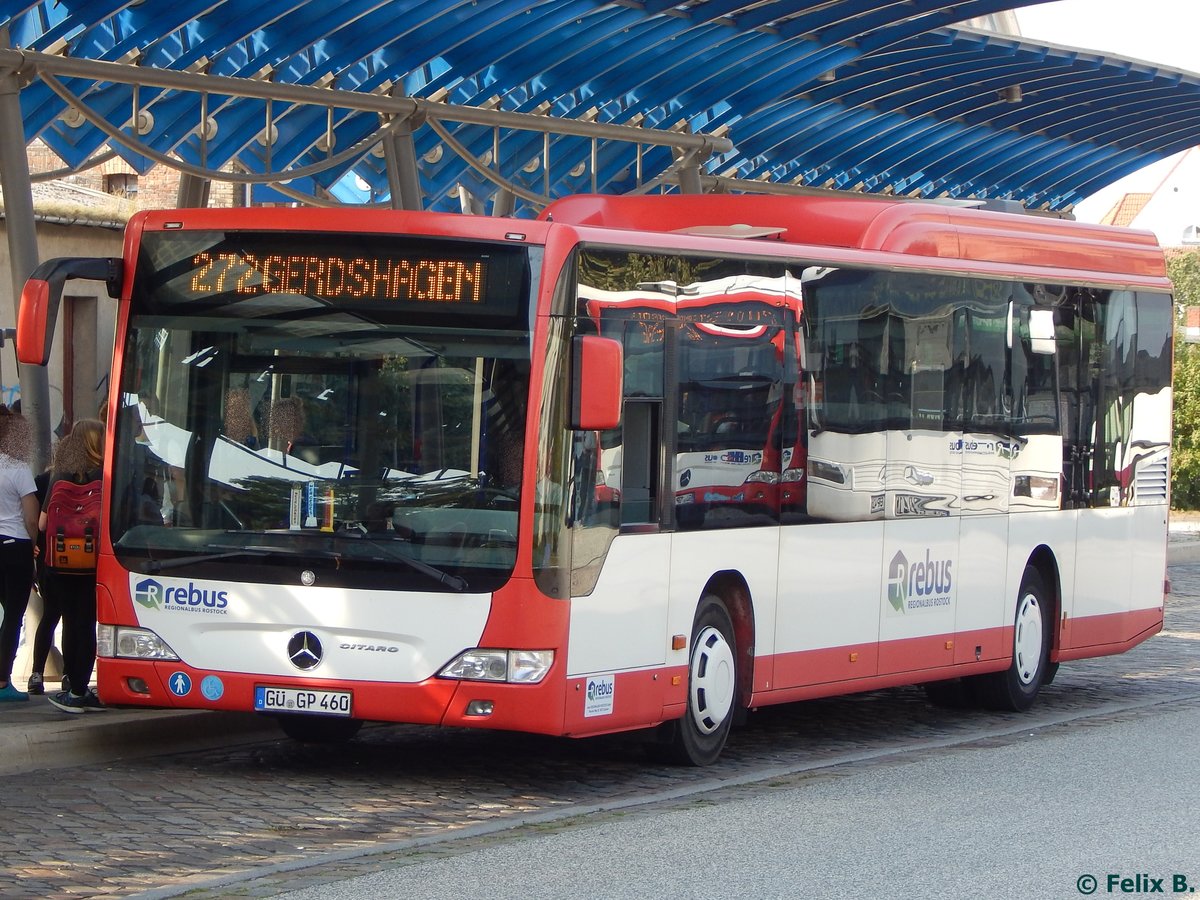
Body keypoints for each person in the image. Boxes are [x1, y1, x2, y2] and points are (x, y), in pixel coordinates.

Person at [43, 418, 107, 713]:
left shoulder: (60, 475)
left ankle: (73, 688)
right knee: (88, 624)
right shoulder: (105, 477)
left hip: (61, 563)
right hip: (94, 564)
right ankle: (83, 688)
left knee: (69, 622)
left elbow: (44, 523)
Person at [0, 405, 39, 702]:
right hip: (15, 547)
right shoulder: (17, 469)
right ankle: (2, 681)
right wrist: (34, 542)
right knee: (13, 615)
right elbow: (30, 515)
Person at [26, 465, 66, 695]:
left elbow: (36, 523)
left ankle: (36, 674)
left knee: (50, 615)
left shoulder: (45, 480)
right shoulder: (96, 476)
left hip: (48, 556)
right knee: (78, 618)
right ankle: (72, 677)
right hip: (84, 559)